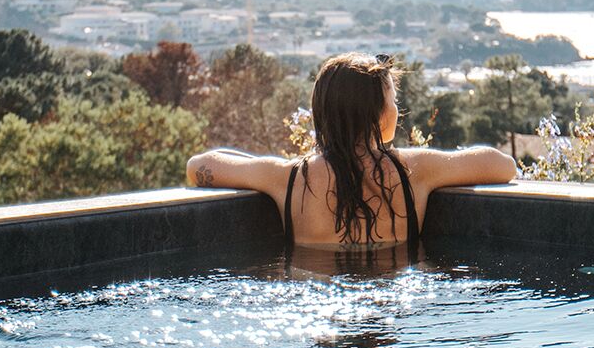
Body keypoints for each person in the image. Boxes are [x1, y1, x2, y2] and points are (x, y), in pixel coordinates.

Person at [185, 53, 517, 250]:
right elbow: (503, 166)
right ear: (379, 113)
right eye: (393, 101)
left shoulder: (286, 177)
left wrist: (262, 165)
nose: (397, 109)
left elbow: (199, 166)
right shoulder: (415, 169)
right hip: (391, 300)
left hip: (318, 305)